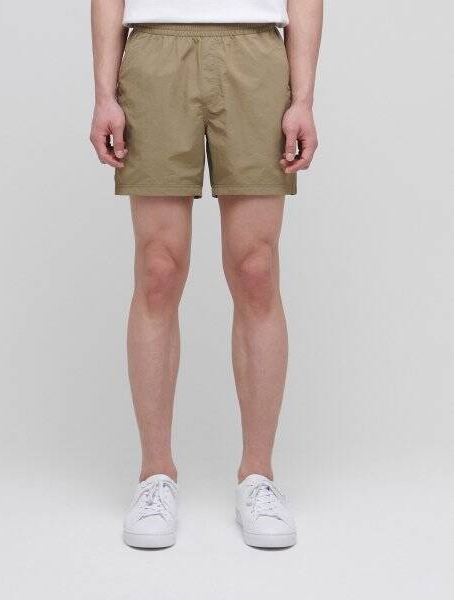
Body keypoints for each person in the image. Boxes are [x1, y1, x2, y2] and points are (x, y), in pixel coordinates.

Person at [90, 0, 322, 548]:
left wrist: (304, 97)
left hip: (255, 53)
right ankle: (155, 475)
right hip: (154, 50)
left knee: (256, 269)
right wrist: (103, 94)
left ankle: (258, 476)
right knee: (158, 268)